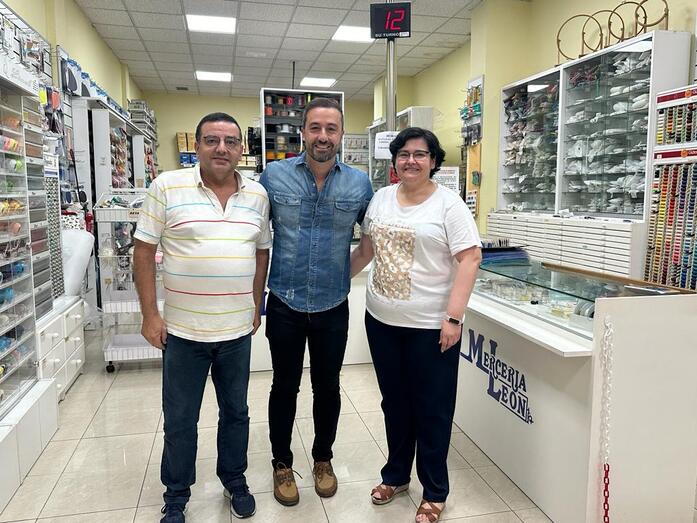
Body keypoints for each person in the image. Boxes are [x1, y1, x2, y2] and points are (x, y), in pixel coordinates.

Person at [133, 112, 271, 522]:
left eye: (230, 141)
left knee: (236, 413)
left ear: (241, 149)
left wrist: (255, 303)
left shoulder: (257, 195)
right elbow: (143, 251)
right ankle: (176, 494)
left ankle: (234, 479)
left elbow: (261, 251)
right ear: (197, 146)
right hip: (183, 332)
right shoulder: (167, 186)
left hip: (235, 333)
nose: (221, 148)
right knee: (180, 419)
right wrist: (150, 314)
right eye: (212, 140)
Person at [350, 127, 482, 523]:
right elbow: (366, 251)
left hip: (431, 327)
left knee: (432, 409)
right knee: (394, 404)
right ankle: (396, 475)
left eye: (420, 154)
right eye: (404, 154)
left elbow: (470, 258)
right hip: (382, 322)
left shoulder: (449, 205)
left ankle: (435, 490)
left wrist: (454, 318)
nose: (411, 160)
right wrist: (334, 282)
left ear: (434, 161)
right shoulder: (381, 198)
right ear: (394, 161)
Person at [259, 97, 373, 506]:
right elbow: (254, 236)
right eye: (315, 128)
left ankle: (323, 459)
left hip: (332, 306)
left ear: (341, 134)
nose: (323, 136)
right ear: (302, 132)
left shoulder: (359, 184)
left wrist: (341, 276)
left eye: (331, 129)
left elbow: (370, 243)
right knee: (283, 386)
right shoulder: (273, 176)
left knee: (328, 388)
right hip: (285, 303)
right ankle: (282, 463)